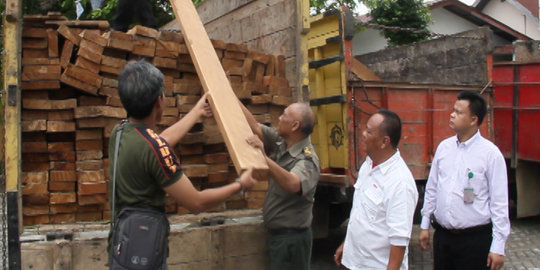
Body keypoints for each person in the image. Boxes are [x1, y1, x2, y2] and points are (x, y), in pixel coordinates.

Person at [108, 60, 257, 266]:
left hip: (122, 246)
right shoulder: (155, 150)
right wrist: (240, 185)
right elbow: (197, 202)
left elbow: (159, 142)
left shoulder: (120, 131)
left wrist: (196, 111)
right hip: (145, 251)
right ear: (159, 102)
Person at [418, 90, 510, 270]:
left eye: (459, 112)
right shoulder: (444, 148)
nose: (452, 115)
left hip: (474, 241)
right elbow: (432, 188)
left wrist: (498, 247)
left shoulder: (490, 154)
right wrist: (424, 224)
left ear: (474, 119)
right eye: (453, 110)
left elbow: (499, 203)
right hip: (443, 238)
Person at [334, 109, 418, 270]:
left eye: (369, 131)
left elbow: (399, 241)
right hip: (355, 262)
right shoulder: (368, 165)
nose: (363, 134)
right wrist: (347, 244)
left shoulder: (399, 181)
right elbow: (361, 214)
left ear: (384, 141)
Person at [241, 101, 320, 270]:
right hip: (278, 236)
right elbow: (254, 126)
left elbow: (293, 183)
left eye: (284, 115)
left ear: (295, 126)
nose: (279, 118)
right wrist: (228, 91)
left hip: (292, 240)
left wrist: (264, 157)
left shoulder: (308, 159)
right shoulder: (282, 142)